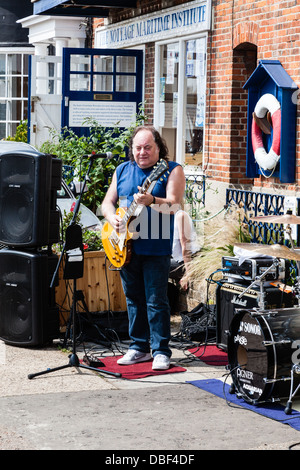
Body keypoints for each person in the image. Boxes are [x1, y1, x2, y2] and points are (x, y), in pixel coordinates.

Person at [101, 126, 186, 370]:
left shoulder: (171, 170)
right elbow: (108, 202)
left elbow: (175, 207)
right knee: (134, 299)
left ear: (158, 148)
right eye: (137, 148)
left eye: (148, 147)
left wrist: (153, 201)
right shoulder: (122, 170)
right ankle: (138, 347)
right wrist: (111, 218)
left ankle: (161, 350)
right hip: (126, 246)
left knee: (155, 300)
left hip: (156, 246)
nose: (142, 152)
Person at [168, 209, 199, 312]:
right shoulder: (166, 215)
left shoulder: (181, 216)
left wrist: (187, 274)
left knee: (155, 266)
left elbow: (186, 246)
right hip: (174, 259)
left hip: (184, 262)